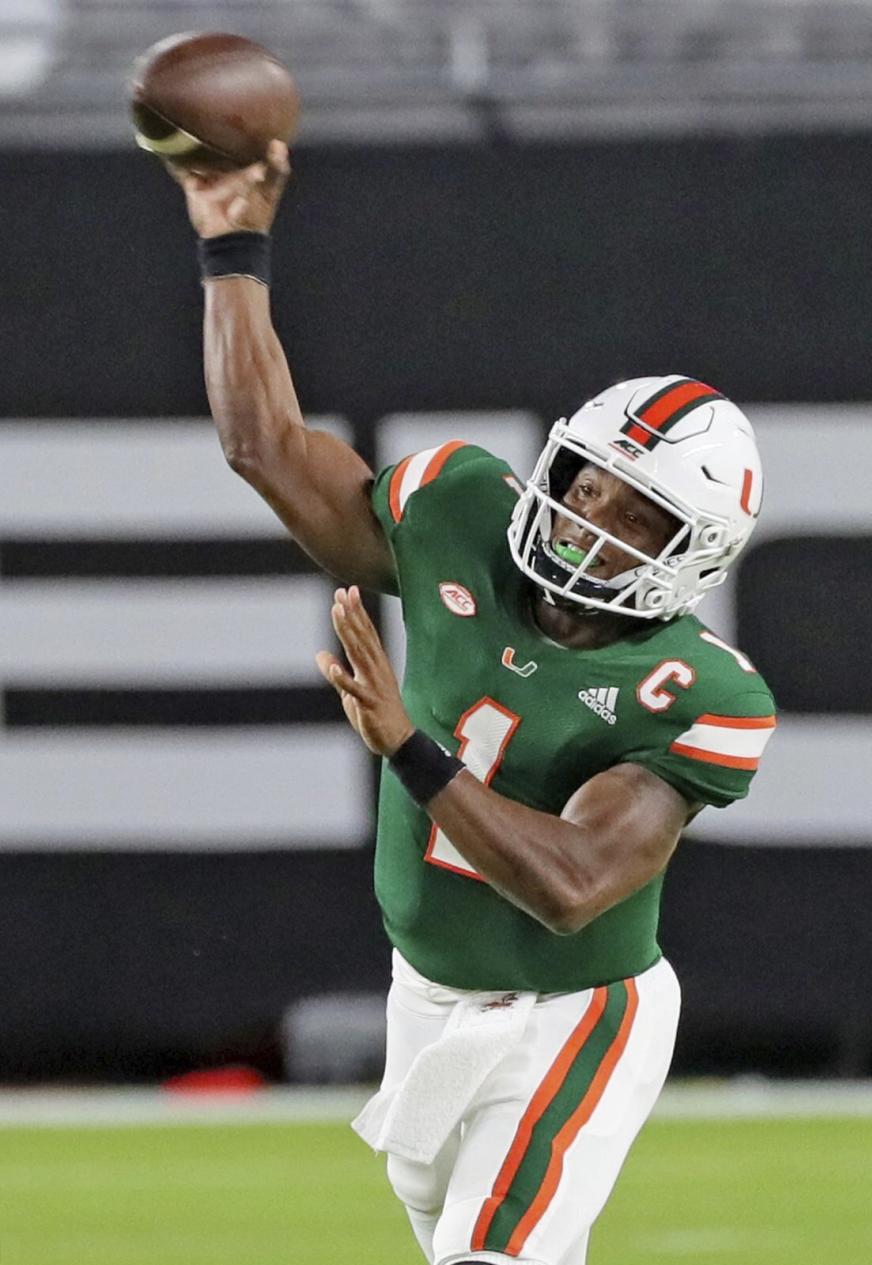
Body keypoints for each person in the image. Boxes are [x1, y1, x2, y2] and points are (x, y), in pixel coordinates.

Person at [166, 140, 776, 1265]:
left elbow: (573, 883)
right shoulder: (460, 507)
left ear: (695, 554)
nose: (592, 514)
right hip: (427, 996)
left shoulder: (700, 691)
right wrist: (230, 242)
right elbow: (264, 445)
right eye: (589, 479)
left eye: (636, 512)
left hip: (577, 1014)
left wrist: (407, 744)